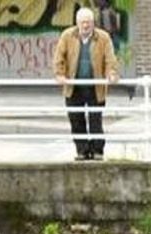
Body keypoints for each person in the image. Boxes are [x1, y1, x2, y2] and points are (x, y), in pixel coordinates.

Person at [53, 7, 119, 161]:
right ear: (77, 23)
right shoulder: (67, 36)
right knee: (76, 119)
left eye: (88, 23)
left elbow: (110, 59)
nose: (85, 26)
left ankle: (97, 151)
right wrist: (59, 74)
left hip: (95, 86)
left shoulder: (103, 38)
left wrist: (112, 73)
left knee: (96, 119)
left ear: (93, 23)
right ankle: (82, 150)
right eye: (83, 23)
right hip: (73, 86)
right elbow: (59, 57)